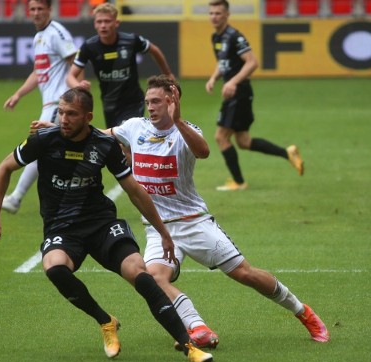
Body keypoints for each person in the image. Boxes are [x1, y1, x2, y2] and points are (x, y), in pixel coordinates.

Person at [0, 87, 213, 362]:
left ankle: (190, 346)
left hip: (101, 224)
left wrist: (164, 233)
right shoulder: (44, 139)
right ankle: (106, 321)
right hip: (62, 228)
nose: (64, 119)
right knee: (54, 267)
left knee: (139, 273)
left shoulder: (103, 146)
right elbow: (4, 168)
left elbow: (135, 191)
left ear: (88, 117)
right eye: (61, 112)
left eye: (72, 114)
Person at [109, 74, 329, 344]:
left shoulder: (187, 131)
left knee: (244, 274)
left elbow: (203, 152)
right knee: (153, 279)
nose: (151, 107)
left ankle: (303, 312)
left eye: (157, 101)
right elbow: (100, 136)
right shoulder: (134, 127)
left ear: (172, 101)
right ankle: (198, 327)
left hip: (194, 222)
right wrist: (60, 128)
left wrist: (177, 121)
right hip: (158, 227)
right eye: (148, 102)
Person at [0, 0, 78, 214]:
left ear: (49, 10)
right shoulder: (39, 37)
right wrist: (19, 94)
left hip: (59, 102)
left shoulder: (57, 33)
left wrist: (76, 95)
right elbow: (38, 72)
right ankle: (66, 198)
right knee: (57, 150)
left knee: (41, 146)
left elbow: (75, 61)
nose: (36, 13)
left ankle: (16, 198)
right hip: (50, 102)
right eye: (32, 9)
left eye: (40, 9)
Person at [205, 0, 304, 191]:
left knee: (221, 137)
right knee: (243, 141)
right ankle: (288, 153)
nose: (214, 17)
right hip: (234, 92)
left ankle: (239, 182)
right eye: (211, 13)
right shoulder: (216, 38)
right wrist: (214, 77)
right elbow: (223, 62)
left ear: (227, 15)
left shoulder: (235, 36)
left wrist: (232, 81)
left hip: (239, 93)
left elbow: (252, 62)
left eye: (218, 13)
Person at [67, 2, 174, 129]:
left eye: (107, 21)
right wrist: (78, 86)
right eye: (99, 22)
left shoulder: (131, 40)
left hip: (133, 102)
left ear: (116, 23)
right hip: (109, 104)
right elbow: (70, 77)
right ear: (95, 24)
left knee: (126, 135)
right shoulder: (89, 47)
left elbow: (154, 50)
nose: (103, 26)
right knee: (116, 142)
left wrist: (167, 74)